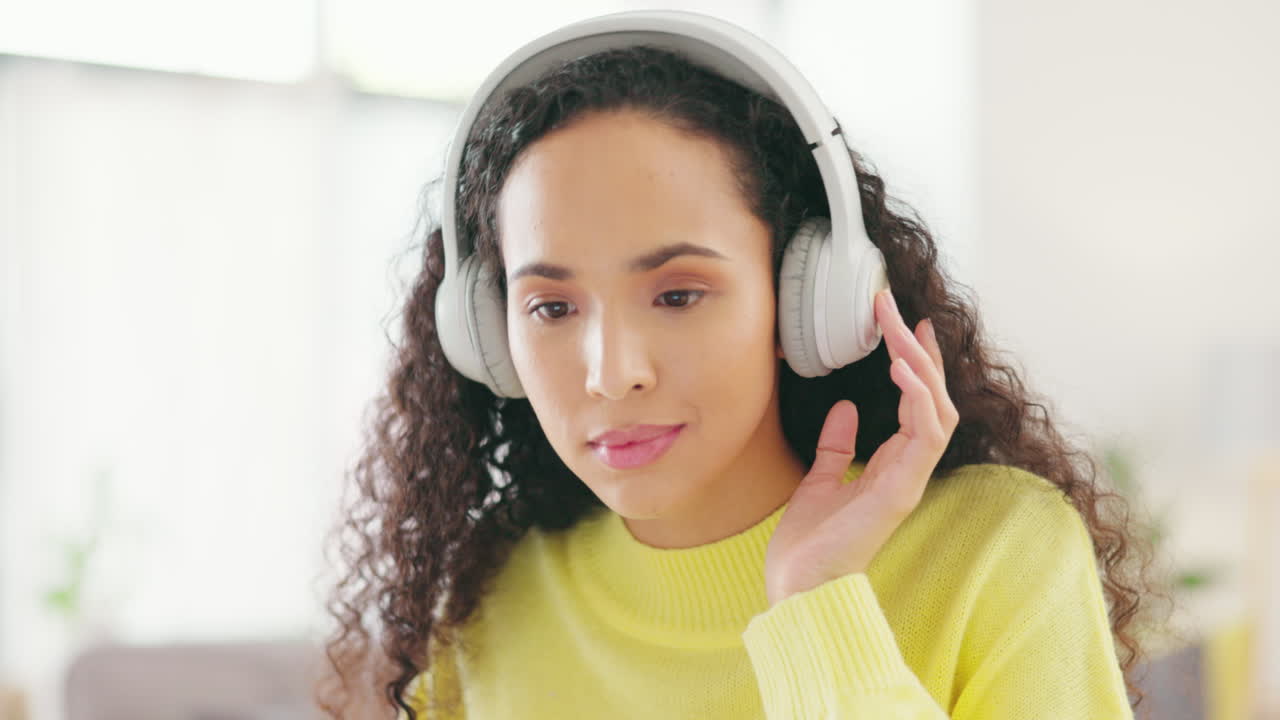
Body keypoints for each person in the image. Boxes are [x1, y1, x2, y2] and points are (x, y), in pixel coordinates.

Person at [317, 10, 1160, 719]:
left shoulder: (992, 551)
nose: (612, 374)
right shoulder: (493, 601)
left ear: (807, 300)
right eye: (552, 307)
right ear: (490, 338)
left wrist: (819, 606)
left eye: (678, 295)